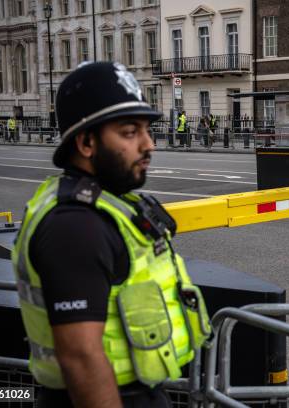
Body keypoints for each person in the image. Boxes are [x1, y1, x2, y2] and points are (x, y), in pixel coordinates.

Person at [11, 62, 211, 408]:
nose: (149, 145)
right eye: (130, 132)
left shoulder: (108, 204)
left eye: (147, 130)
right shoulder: (75, 225)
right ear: (87, 142)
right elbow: (81, 358)